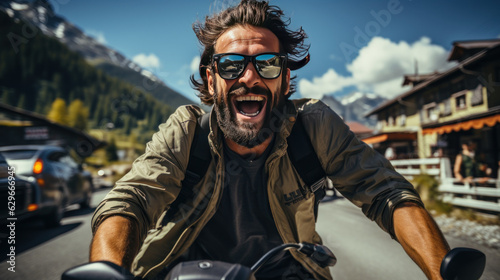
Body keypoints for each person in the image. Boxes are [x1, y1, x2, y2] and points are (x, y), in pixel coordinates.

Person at [89, 1, 450, 279]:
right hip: (185, 270)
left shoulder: (314, 126)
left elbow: (386, 192)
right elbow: (131, 200)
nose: (250, 76)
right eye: (231, 65)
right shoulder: (186, 132)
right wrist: (108, 271)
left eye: (268, 63)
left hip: (290, 271)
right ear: (212, 80)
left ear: (285, 79)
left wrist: (440, 271)